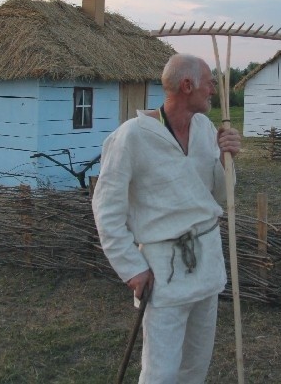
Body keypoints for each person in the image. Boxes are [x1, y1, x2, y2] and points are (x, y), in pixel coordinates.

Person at [92, 53, 241, 384]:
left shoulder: (205, 128)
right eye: (209, 83)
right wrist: (132, 267)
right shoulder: (132, 137)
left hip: (207, 265)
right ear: (187, 86)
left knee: (195, 366)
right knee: (161, 370)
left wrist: (225, 159)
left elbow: (218, 195)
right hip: (165, 272)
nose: (213, 90)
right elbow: (106, 208)